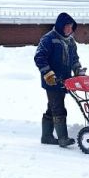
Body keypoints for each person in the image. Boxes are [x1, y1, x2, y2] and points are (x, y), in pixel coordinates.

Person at [34, 12, 85, 147]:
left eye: (71, 27)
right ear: (60, 26)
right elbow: (39, 57)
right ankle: (63, 138)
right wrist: (48, 74)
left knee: (52, 107)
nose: (69, 29)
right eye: (67, 26)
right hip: (52, 81)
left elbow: (74, 59)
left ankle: (46, 136)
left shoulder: (70, 41)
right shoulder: (48, 39)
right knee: (58, 108)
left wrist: (78, 71)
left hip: (65, 81)